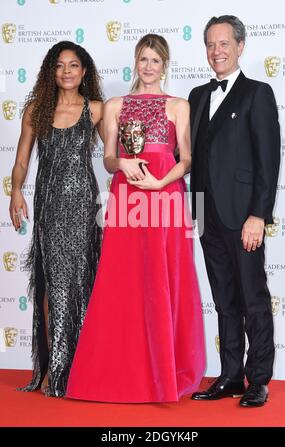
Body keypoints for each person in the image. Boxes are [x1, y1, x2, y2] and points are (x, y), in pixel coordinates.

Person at [66, 33, 206, 403]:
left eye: (155, 60)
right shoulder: (115, 105)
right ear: (135, 62)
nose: (148, 67)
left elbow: (187, 159)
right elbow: (108, 158)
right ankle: (119, 372)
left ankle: (164, 372)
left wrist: (162, 181)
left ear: (165, 65)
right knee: (122, 278)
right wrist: (123, 163)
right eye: (143, 59)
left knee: (166, 278)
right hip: (126, 197)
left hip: (166, 198)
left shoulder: (179, 105)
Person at [189, 15, 280, 407]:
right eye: (210, 44)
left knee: (253, 298)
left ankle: (258, 378)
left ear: (240, 46)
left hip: (244, 217)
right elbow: (188, 157)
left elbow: (268, 161)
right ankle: (230, 376)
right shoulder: (196, 96)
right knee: (224, 299)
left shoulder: (258, 93)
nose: (216, 51)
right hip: (206, 215)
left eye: (224, 43)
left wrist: (258, 215)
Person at [9, 41, 104, 397]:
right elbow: (21, 161)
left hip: (83, 206)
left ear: (84, 72)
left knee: (81, 283)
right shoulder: (37, 109)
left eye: (74, 65)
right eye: (60, 65)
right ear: (51, 70)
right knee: (52, 286)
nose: (67, 71)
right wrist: (16, 191)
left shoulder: (96, 109)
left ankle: (80, 367)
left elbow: (113, 156)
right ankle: (54, 367)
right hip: (48, 206)